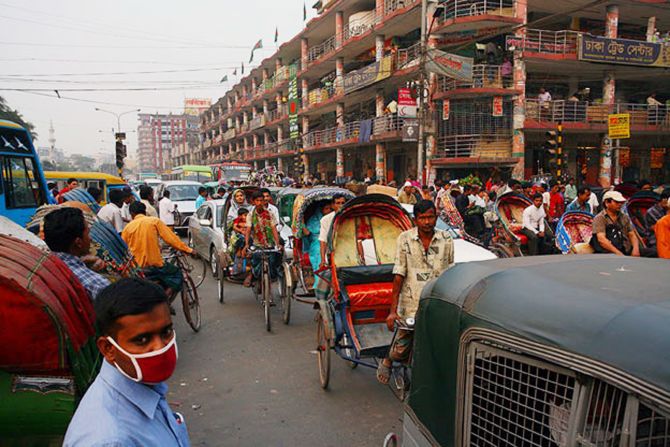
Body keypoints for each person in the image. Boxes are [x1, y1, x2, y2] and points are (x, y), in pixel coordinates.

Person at [63, 278, 190, 446]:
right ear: (108, 348)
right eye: (143, 340)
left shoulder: (144, 387)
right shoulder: (111, 439)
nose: (160, 347)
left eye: (166, 332)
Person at [376, 200, 454, 385]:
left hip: (438, 301)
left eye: (430, 217)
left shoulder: (446, 238)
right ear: (415, 219)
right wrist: (392, 311)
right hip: (411, 301)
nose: (427, 222)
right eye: (423, 218)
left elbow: (450, 270)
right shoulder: (405, 238)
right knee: (401, 346)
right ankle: (387, 360)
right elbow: (399, 273)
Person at [122, 202, 194, 295]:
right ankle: (164, 298)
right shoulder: (154, 221)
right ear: (144, 211)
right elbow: (171, 239)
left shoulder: (127, 228)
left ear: (131, 214)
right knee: (177, 274)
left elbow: (124, 248)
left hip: (137, 268)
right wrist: (188, 250)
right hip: (154, 265)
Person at [43, 207, 110, 301]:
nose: (90, 239)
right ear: (78, 242)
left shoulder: (44, 266)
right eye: (88, 233)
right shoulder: (97, 285)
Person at [242, 191, 280, 288]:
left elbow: (274, 229)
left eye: (261, 200)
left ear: (264, 202)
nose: (259, 203)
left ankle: (273, 278)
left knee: (273, 261)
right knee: (256, 262)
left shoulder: (270, 214)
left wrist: (277, 243)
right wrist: (246, 244)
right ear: (253, 202)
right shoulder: (250, 215)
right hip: (257, 244)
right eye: (257, 201)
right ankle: (255, 276)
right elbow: (248, 230)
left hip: (269, 243)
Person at [591, 191, 640, 257]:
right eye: (617, 202)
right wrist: (618, 253)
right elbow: (602, 240)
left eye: (621, 203)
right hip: (608, 252)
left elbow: (632, 234)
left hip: (626, 248)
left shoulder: (624, 217)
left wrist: (635, 249)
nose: (620, 204)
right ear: (607, 203)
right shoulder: (600, 218)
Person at [303, 201, 332, 286]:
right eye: (326, 209)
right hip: (317, 243)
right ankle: (320, 284)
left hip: (331, 241)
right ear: (321, 210)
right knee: (319, 253)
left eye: (330, 208)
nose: (329, 211)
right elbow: (307, 233)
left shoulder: (332, 218)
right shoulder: (314, 220)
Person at [319, 193, 348, 269]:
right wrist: (322, 260)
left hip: (348, 251)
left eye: (343, 203)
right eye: (338, 203)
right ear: (333, 205)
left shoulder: (350, 217)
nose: (340, 205)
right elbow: (323, 241)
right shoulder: (325, 220)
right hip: (333, 253)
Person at [230, 208, 249, 274]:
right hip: (239, 236)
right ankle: (239, 250)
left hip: (248, 237)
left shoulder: (249, 221)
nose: (246, 217)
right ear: (240, 216)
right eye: (245, 215)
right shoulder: (237, 220)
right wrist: (241, 230)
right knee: (241, 239)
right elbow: (234, 227)